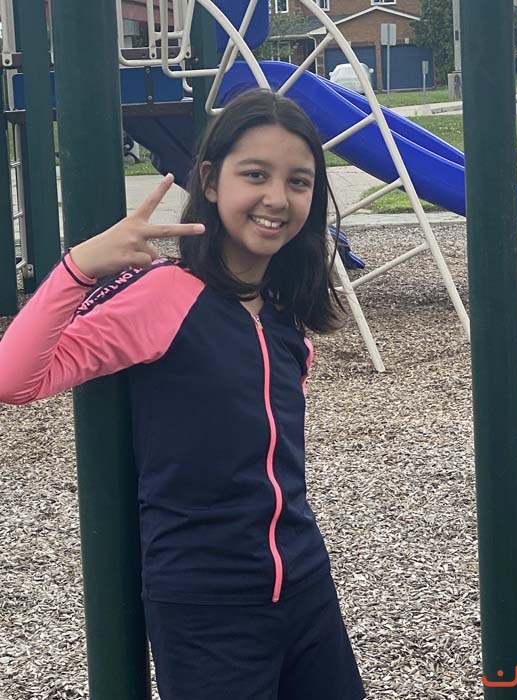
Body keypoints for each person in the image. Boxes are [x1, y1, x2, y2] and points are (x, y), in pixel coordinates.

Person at [0, 89, 365, 700]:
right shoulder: (165, 294)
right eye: (256, 175)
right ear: (211, 182)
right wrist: (78, 268)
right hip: (207, 602)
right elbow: (15, 378)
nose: (277, 198)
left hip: (304, 582)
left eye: (298, 181)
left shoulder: (284, 313)